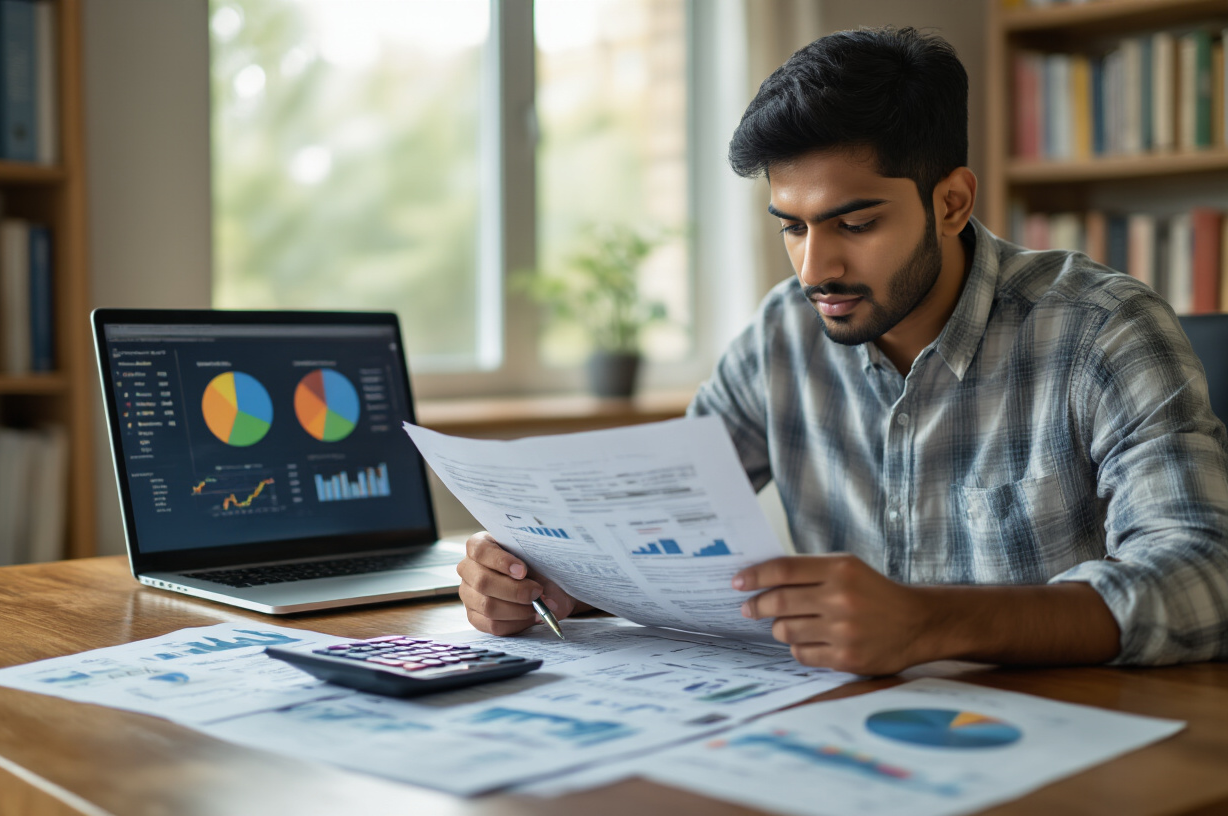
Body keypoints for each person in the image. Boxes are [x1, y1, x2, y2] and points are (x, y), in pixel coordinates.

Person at [456, 26, 1228, 674]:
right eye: (792, 225)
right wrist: (548, 579)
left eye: (854, 224)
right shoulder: (780, 336)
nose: (814, 269)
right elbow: (669, 532)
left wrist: (932, 623)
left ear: (952, 202)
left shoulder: (1103, 330)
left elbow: (1203, 576)